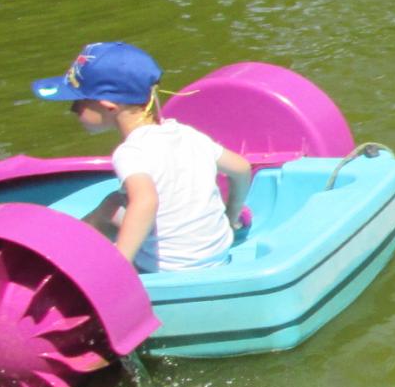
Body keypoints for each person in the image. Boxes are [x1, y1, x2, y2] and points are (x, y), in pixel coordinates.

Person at [31, 42, 252, 274]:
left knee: (112, 206)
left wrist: (119, 266)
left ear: (108, 106)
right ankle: (76, 244)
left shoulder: (130, 152)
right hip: (217, 256)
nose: (73, 110)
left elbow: (146, 202)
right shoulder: (188, 135)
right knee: (118, 200)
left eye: (77, 103)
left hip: (167, 270)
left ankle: (63, 252)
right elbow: (242, 168)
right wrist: (231, 215)